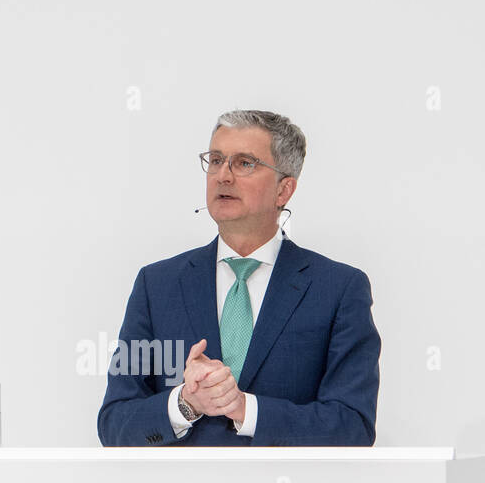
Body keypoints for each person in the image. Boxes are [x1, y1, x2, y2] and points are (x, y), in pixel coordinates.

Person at [97, 110, 380, 446]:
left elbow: (352, 426)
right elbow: (115, 423)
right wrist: (186, 403)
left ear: (283, 190)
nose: (223, 176)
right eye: (215, 160)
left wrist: (246, 409)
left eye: (244, 163)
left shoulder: (338, 289)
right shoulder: (156, 286)